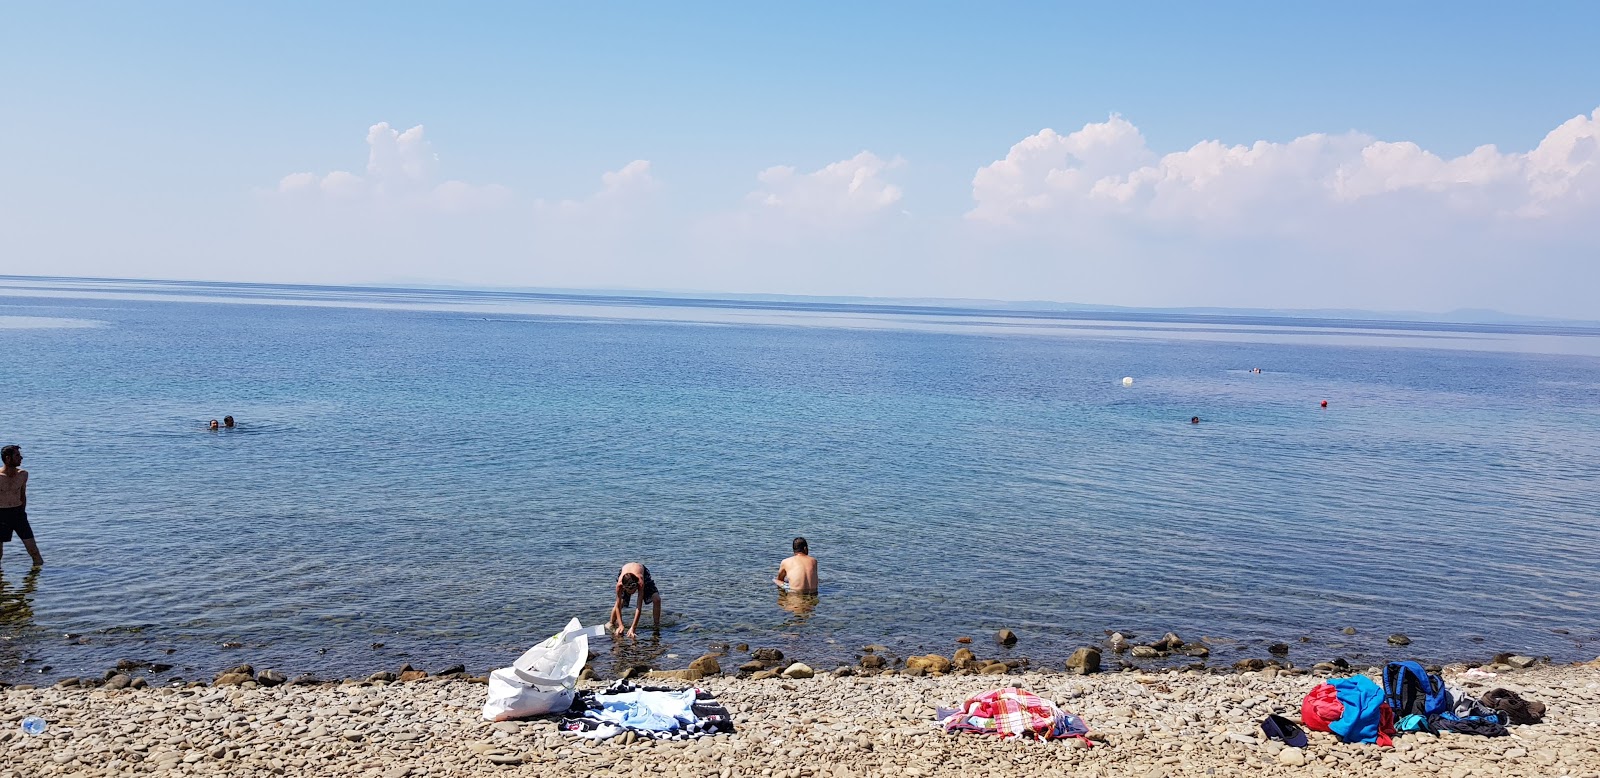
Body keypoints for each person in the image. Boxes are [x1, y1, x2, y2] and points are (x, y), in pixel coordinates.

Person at [0, 445, 43, 568]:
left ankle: (35, 583)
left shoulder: (23, 475)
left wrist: (21, 513)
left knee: (34, 551)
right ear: (8, 459)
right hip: (1, 515)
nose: (21, 458)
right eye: (17, 455)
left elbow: (23, 495)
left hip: (18, 514)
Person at [608, 562, 661, 639]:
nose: (632, 593)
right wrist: (620, 625)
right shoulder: (620, 585)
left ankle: (656, 625)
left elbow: (638, 607)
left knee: (657, 599)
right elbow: (618, 606)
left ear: (636, 586)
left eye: (634, 590)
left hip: (641, 572)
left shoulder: (640, 582)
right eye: (629, 591)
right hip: (625, 575)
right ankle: (611, 623)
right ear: (624, 587)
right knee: (620, 602)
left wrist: (633, 628)